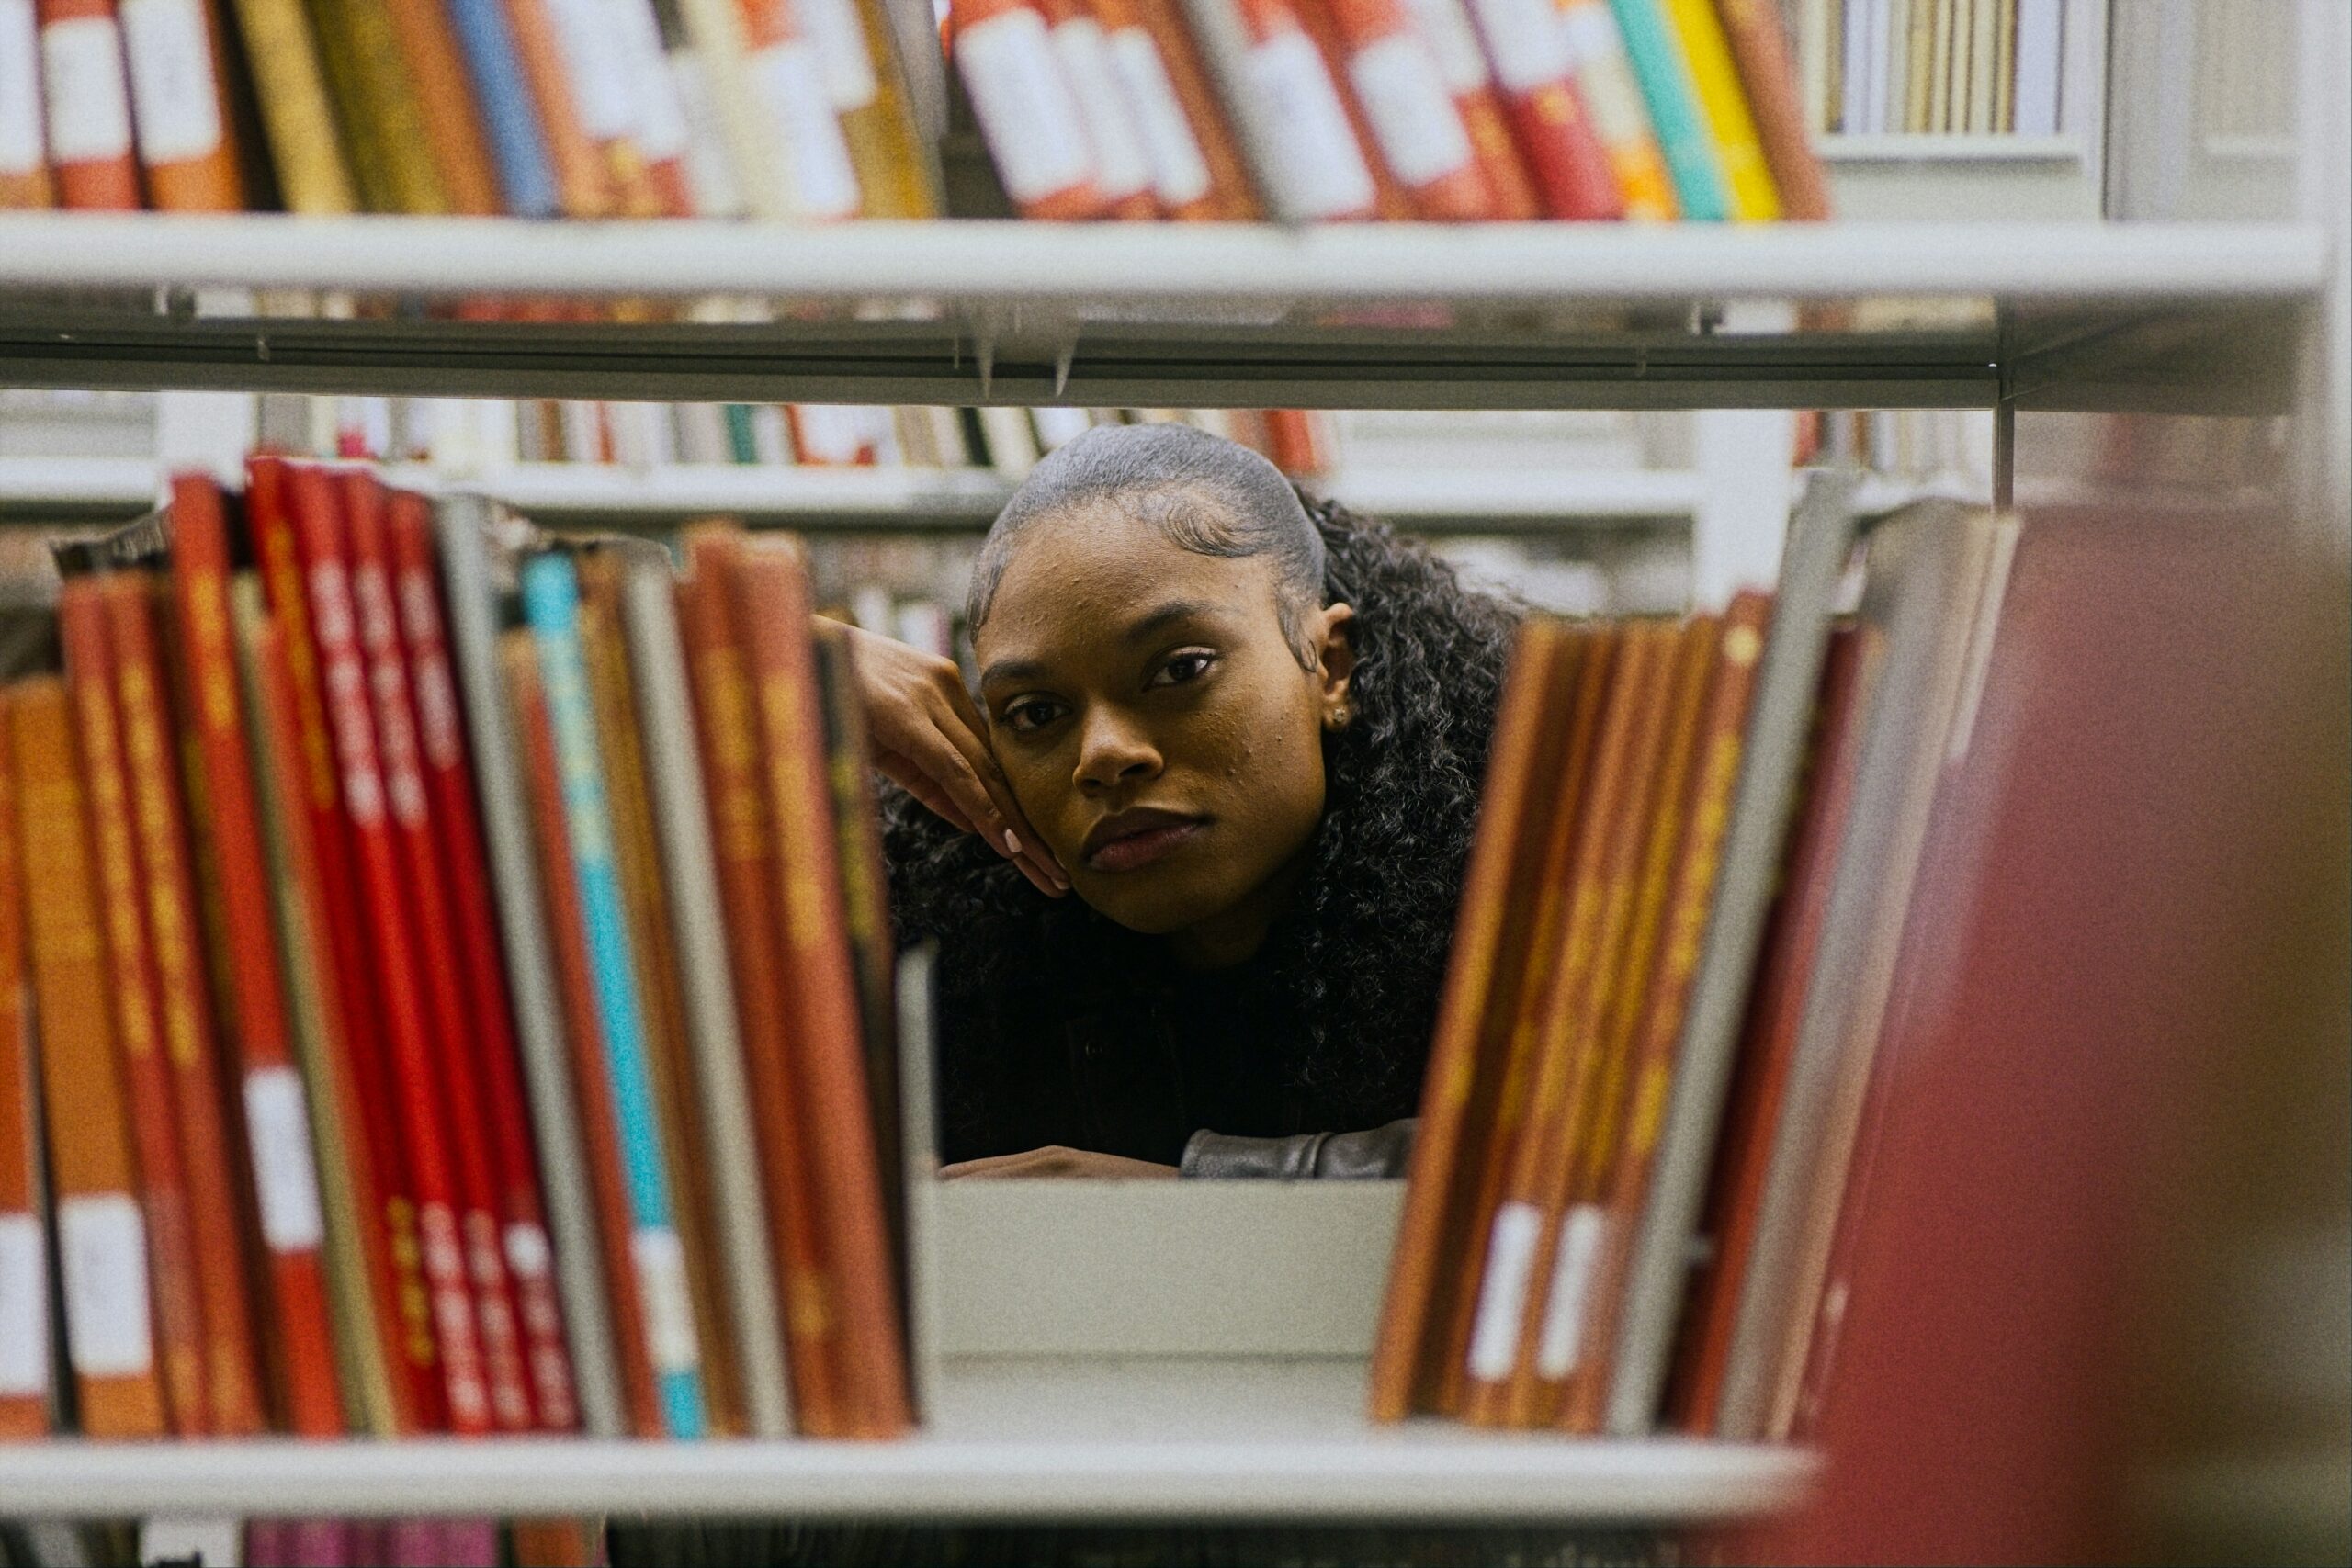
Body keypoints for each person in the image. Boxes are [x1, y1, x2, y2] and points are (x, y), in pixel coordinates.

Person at [849, 422, 1520, 1179]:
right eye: (1036, 713)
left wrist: (1187, 1200)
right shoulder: (972, 977)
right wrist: (773, 668)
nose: (1104, 755)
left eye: (1179, 670)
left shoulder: (1527, 909)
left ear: (1331, 666)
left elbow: (1592, 1167)